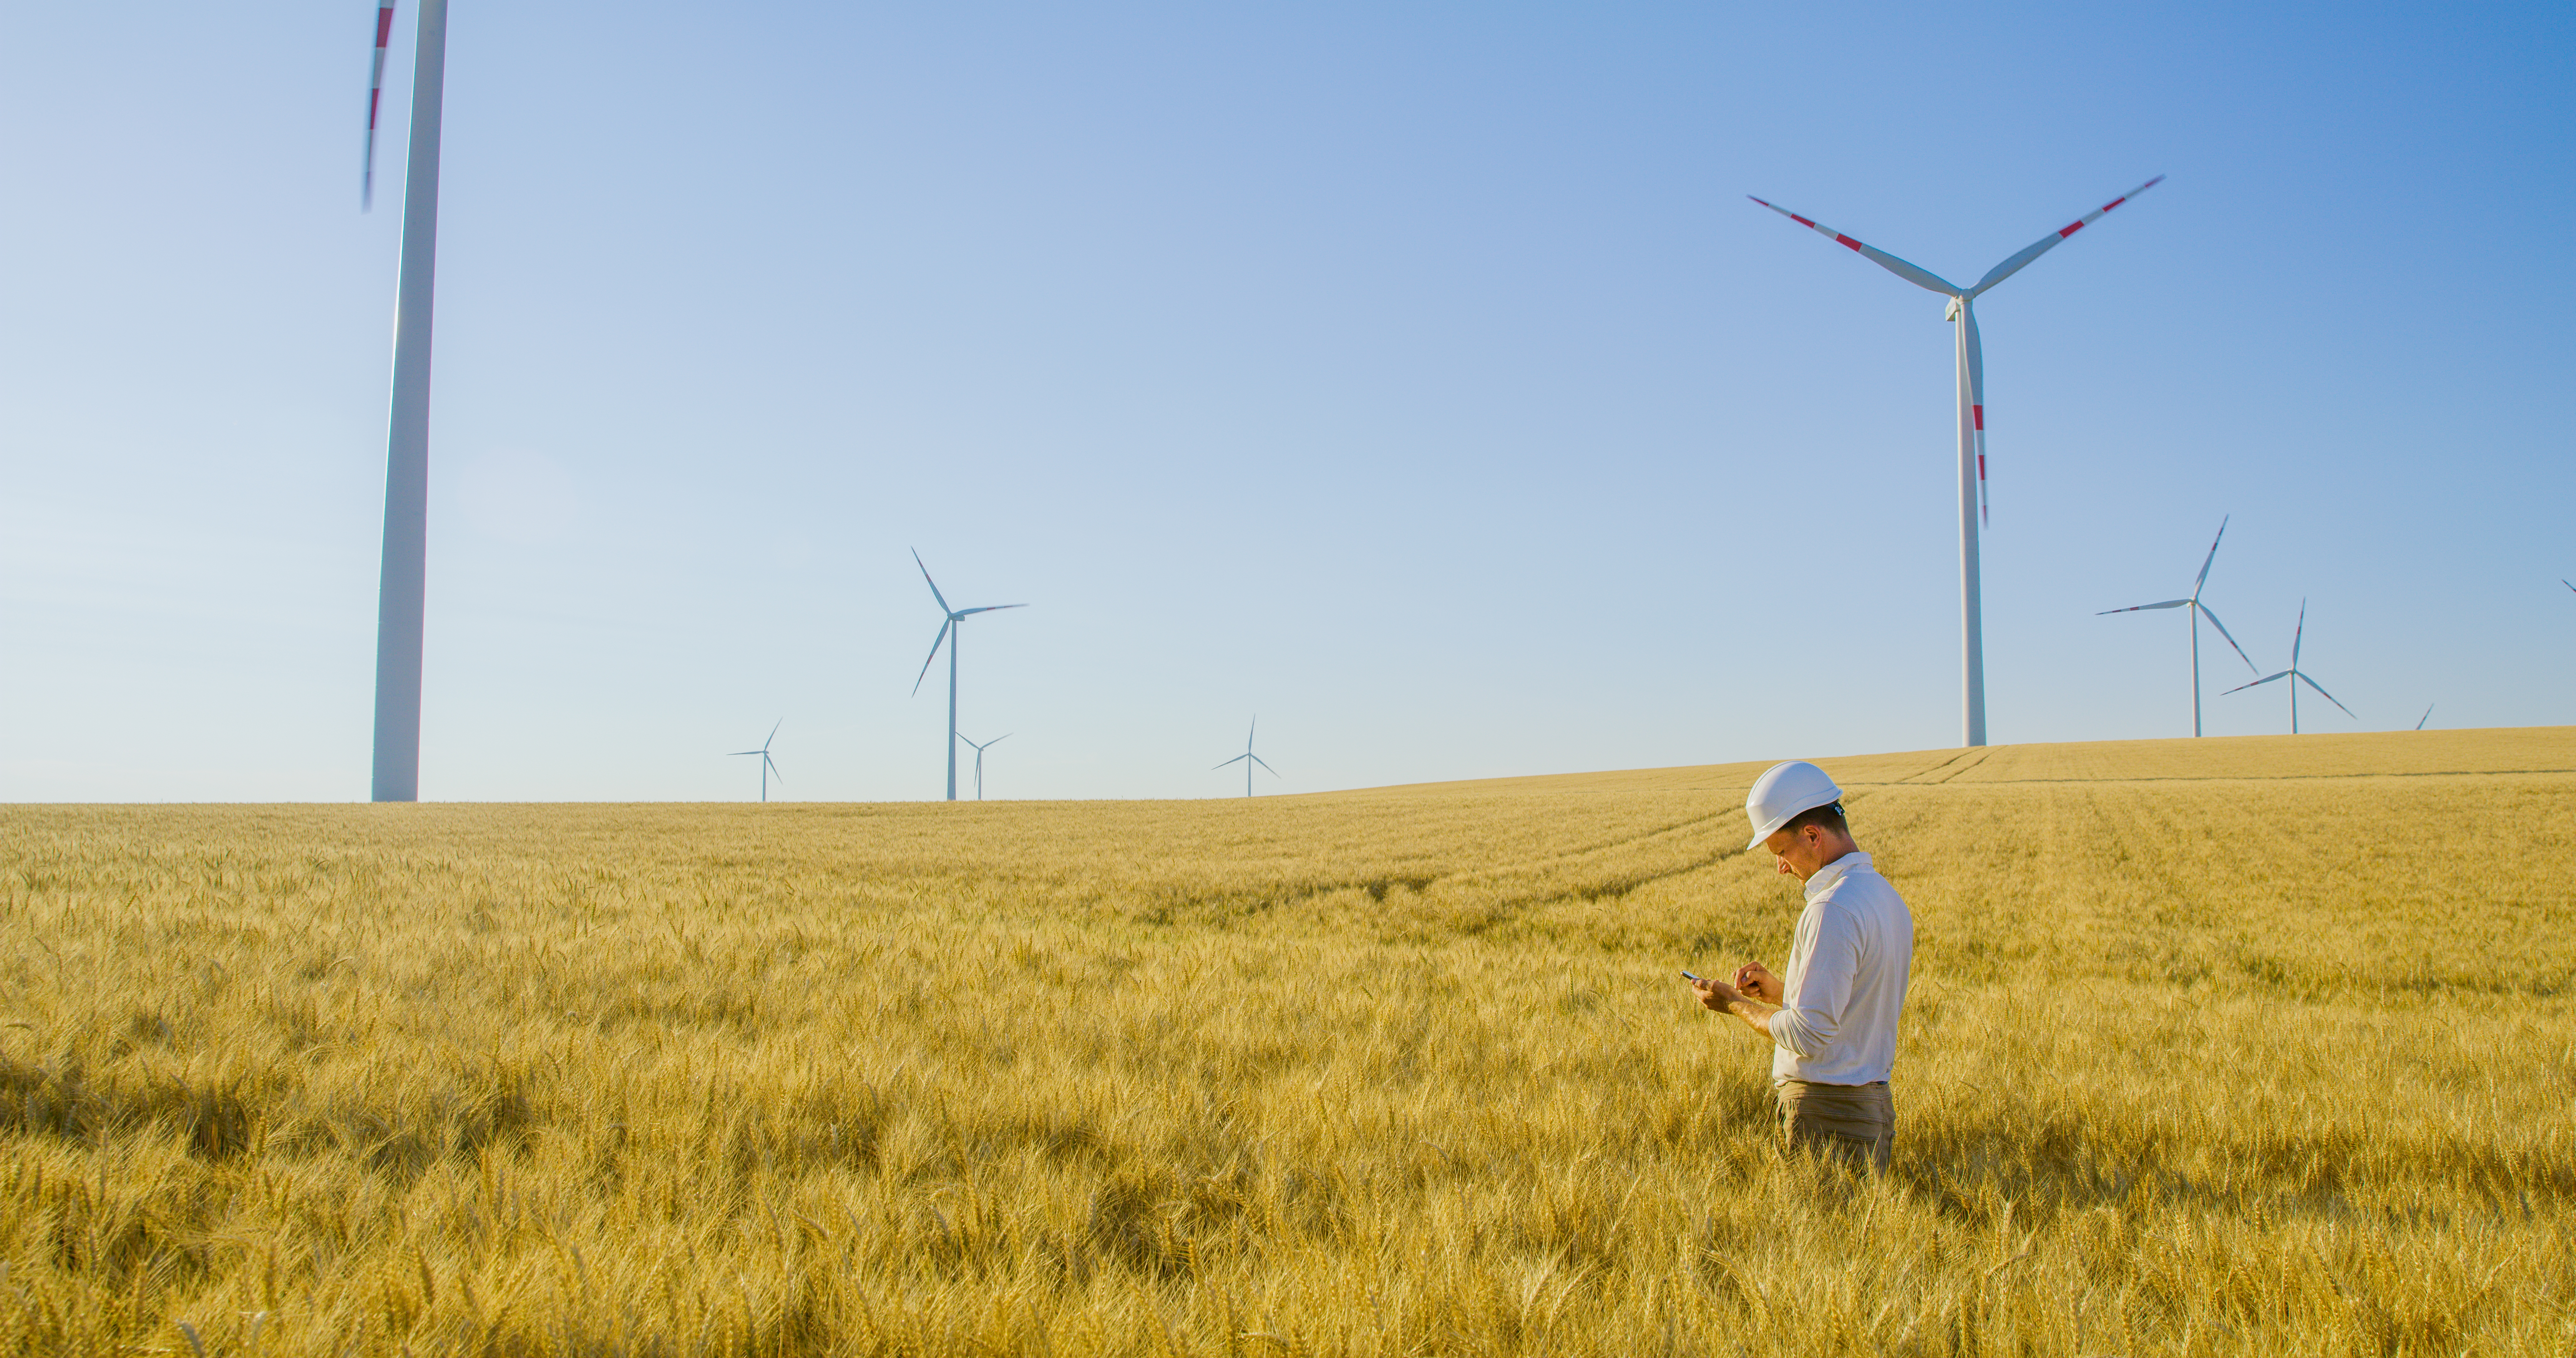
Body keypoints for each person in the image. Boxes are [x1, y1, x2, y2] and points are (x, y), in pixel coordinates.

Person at [1689, 760, 1914, 1171]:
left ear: (1812, 835)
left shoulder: (1832, 908)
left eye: (1781, 852)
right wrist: (1781, 992)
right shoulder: (1884, 896)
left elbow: (1808, 1036)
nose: (1780, 868)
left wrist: (1733, 1004)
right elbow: (1856, 1003)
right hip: (1870, 1108)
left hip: (1828, 1116)